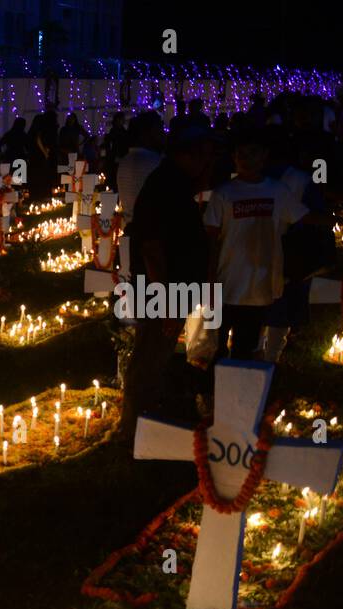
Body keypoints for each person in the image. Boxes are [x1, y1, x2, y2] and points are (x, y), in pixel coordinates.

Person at [204, 127, 343, 363]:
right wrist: (209, 276)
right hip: (228, 281)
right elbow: (211, 238)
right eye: (241, 154)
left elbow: (307, 216)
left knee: (244, 346)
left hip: (259, 285)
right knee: (218, 345)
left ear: (265, 155)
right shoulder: (224, 194)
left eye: (253, 153)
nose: (247, 159)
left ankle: (237, 389)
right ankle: (216, 388)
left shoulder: (277, 191)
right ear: (234, 157)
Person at [119, 125, 215, 437]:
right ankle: (134, 428)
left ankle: (146, 418)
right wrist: (167, 304)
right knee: (149, 355)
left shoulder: (174, 183)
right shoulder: (165, 188)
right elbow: (153, 249)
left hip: (169, 289)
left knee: (155, 354)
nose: (206, 166)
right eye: (202, 159)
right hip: (162, 290)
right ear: (185, 156)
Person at [116, 111, 164, 220]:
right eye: (159, 130)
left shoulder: (124, 161)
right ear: (148, 133)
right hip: (152, 228)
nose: (163, 134)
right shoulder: (155, 162)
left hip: (131, 228)